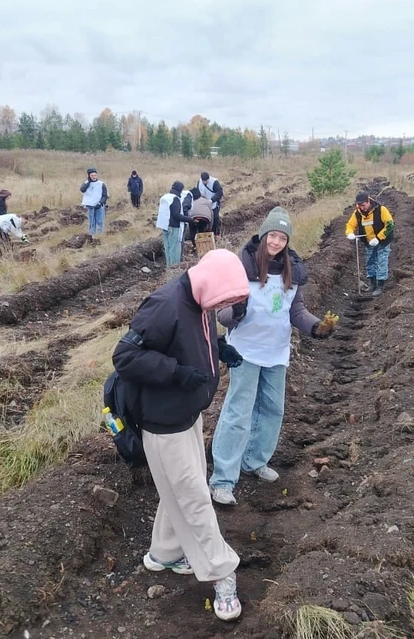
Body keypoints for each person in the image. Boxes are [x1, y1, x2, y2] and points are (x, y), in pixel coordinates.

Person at [112, 249, 250, 622]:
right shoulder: (165, 305)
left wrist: (219, 349)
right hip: (163, 422)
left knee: (183, 486)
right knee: (192, 496)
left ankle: (165, 553)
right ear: (211, 283)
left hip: (187, 414)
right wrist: (176, 372)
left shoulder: (198, 298)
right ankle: (221, 572)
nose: (221, 307)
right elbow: (124, 357)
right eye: (223, 299)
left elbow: (193, 338)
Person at [210, 207, 335, 506]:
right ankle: (223, 479)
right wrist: (237, 312)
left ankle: (255, 461)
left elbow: (296, 312)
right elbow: (222, 314)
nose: (276, 242)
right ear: (263, 235)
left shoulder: (292, 270)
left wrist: (317, 327)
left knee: (272, 409)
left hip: (277, 352)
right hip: (246, 351)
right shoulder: (244, 267)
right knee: (238, 413)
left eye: (282, 237)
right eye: (272, 236)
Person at [346, 191, 394, 297]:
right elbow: (350, 224)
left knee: (381, 261)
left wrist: (378, 238)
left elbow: (390, 225)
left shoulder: (381, 210)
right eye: (359, 205)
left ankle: (380, 286)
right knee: (370, 262)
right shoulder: (358, 213)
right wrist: (349, 233)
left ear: (368, 201)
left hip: (382, 241)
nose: (361, 208)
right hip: (368, 242)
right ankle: (372, 284)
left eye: (363, 205)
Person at [156, 181, 190, 267]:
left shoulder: (165, 197)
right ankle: (174, 269)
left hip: (165, 226)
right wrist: (189, 220)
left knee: (167, 248)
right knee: (174, 248)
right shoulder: (175, 199)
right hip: (174, 227)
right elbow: (176, 215)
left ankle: (169, 267)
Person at [80, 168, 109, 235]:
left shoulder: (101, 184)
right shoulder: (86, 183)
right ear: (89, 176)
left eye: (95, 175)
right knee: (92, 222)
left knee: (100, 222)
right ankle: (91, 235)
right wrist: (89, 182)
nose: (94, 177)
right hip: (90, 206)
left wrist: (100, 203)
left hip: (99, 206)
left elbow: (105, 195)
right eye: (92, 175)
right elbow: (82, 190)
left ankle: (99, 236)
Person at [197, 171, 224, 237]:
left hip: (213, 203)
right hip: (204, 204)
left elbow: (219, 192)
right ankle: (203, 233)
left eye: (206, 181)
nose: (205, 182)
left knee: (215, 217)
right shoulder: (199, 182)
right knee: (203, 218)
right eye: (204, 181)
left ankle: (216, 233)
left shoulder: (214, 182)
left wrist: (212, 200)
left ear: (209, 178)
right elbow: (197, 192)